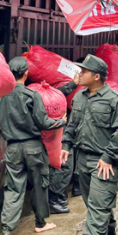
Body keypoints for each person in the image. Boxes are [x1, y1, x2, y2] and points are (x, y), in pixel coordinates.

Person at [0, 57, 66, 235]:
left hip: (12, 148)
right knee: (39, 184)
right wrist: (61, 121)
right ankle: (40, 223)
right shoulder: (31, 95)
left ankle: (6, 231)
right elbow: (44, 122)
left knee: (13, 188)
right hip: (33, 147)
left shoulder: (2, 96)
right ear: (26, 73)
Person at [61, 55, 118, 235]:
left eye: (84, 71)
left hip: (103, 163)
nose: (79, 74)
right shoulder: (80, 97)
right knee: (96, 207)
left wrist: (108, 157)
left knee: (97, 213)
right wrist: (66, 144)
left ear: (97, 76)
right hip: (83, 160)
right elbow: (73, 124)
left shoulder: (115, 99)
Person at [48, 73, 80, 214]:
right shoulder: (47, 93)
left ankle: (59, 196)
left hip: (64, 130)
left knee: (65, 165)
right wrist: (73, 83)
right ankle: (54, 199)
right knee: (63, 165)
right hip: (58, 131)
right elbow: (57, 93)